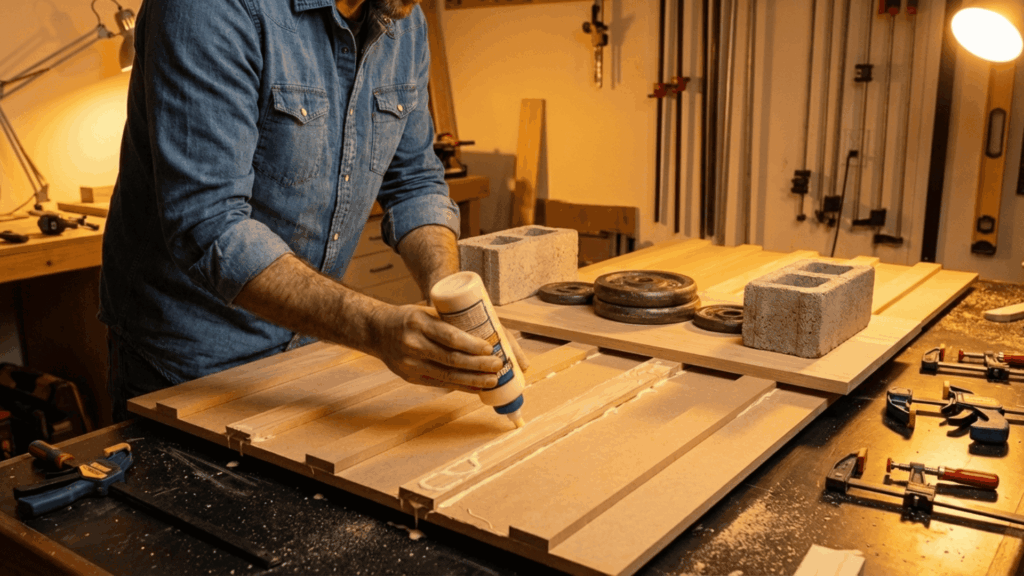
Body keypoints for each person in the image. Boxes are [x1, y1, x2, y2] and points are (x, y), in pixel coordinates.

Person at [100, 0, 525, 422]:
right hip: (187, 365)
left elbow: (414, 182)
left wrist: (455, 304)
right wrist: (377, 328)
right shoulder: (210, 9)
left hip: (305, 352)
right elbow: (210, 225)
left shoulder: (403, 21)